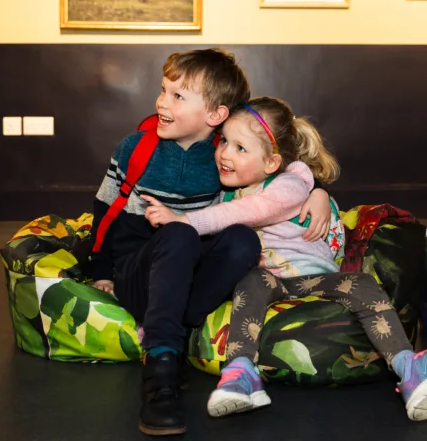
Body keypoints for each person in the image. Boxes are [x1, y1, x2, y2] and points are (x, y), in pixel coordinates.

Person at [142, 96, 427, 423]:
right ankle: (240, 372)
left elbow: (243, 212)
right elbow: (216, 219)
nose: (224, 153)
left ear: (271, 163)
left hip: (315, 278)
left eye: (240, 148)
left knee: (362, 284)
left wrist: (184, 220)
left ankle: (408, 366)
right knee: (250, 283)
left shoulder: (289, 185)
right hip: (270, 280)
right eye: (224, 142)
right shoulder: (229, 189)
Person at [91, 49, 331, 436]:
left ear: (216, 115)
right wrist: (101, 269)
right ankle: (161, 370)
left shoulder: (223, 155)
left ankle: (181, 327)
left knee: (241, 239)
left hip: (188, 285)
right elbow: (104, 210)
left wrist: (316, 190)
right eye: (163, 90)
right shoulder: (134, 149)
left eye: (177, 96)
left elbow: (278, 170)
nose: (162, 102)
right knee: (181, 232)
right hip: (138, 273)